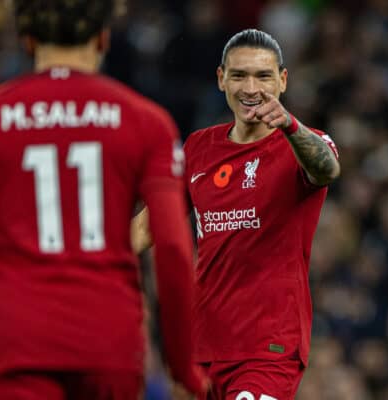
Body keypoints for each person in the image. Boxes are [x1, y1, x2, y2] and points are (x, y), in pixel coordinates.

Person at [0, 1, 207, 399]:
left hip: (17, 344)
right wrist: (182, 362)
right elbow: (171, 248)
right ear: (103, 38)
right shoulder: (146, 122)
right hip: (109, 342)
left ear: (27, 40)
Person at [131, 29, 340, 400]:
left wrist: (290, 125)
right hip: (201, 345)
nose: (251, 87)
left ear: (283, 80)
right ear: (221, 78)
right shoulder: (198, 147)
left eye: (263, 76)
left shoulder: (304, 144)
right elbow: (149, 226)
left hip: (268, 348)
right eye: (239, 75)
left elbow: (326, 170)